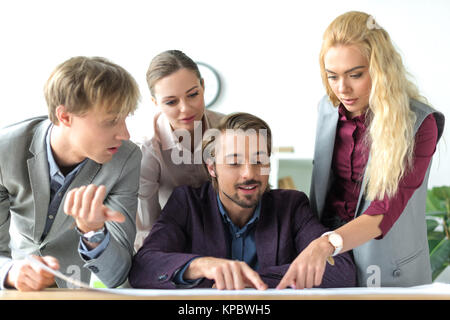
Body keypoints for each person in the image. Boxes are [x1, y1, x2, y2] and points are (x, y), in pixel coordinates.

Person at [278, 11, 445, 289]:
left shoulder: (420, 124)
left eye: (355, 74)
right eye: (332, 76)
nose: (342, 88)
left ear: (381, 69)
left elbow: (384, 211)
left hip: (385, 261)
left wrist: (326, 244)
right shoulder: (327, 109)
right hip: (328, 251)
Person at [129, 112, 356, 289]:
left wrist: (248, 278)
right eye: (234, 163)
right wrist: (201, 266)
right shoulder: (187, 203)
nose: (249, 173)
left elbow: (343, 271)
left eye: (259, 161)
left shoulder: (292, 206)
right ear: (212, 168)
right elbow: (143, 267)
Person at [0, 56, 142, 291]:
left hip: (80, 291)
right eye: (111, 121)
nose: (125, 134)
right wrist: (10, 272)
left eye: (125, 119)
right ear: (65, 116)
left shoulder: (126, 159)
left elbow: (118, 275)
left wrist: (93, 232)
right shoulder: (5, 151)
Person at [136, 50, 224, 249]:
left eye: (193, 94)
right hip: (173, 242)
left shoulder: (227, 129)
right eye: (171, 102)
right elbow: (146, 229)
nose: (185, 108)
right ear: (155, 103)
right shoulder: (146, 149)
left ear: (203, 86)